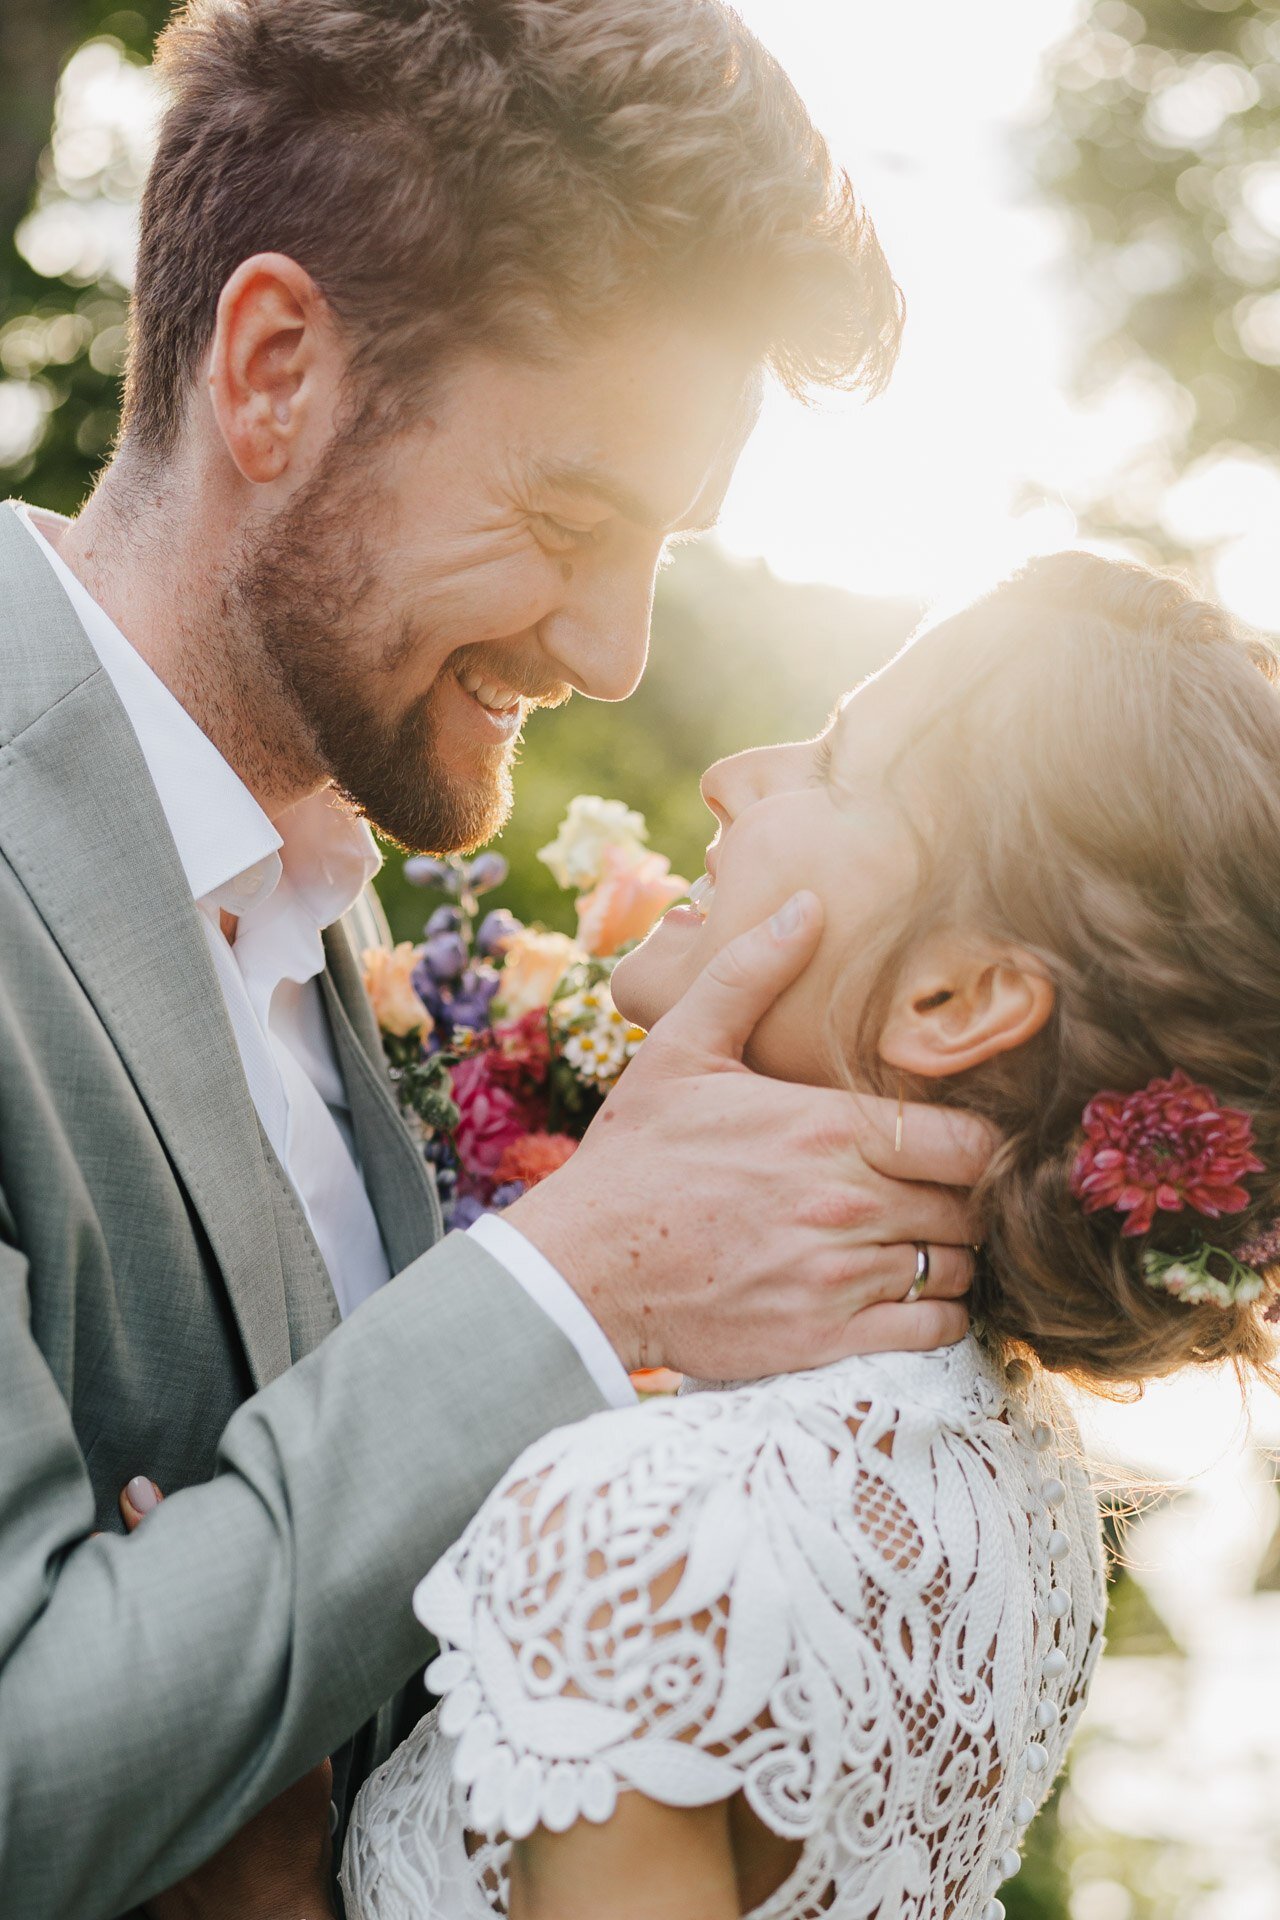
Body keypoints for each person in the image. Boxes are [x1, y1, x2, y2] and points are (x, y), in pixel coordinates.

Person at [0, 3, 987, 1916]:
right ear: (275, 369)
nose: (618, 651)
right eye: (569, 518)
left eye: (663, 549)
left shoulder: (330, 890)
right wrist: (569, 1275)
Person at [335, 554, 1280, 1920]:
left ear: (953, 999)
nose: (731, 777)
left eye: (835, 765)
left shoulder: (647, 1528)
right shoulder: (1022, 1496)